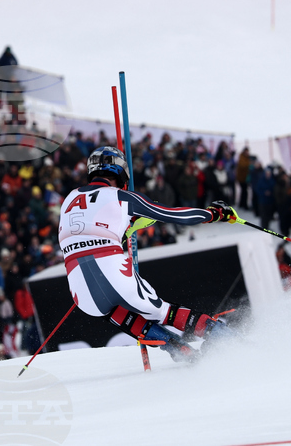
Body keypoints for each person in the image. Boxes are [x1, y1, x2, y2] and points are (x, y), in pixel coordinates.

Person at [58, 146, 236, 362]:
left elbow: (83, 231)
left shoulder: (69, 198)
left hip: (80, 293)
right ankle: (221, 335)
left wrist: (122, 231)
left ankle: (180, 350)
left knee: (114, 312)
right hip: (113, 271)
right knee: (163, 312)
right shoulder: (121, 196)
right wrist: (214, 214)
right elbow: (171, 214)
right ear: (121, 172)